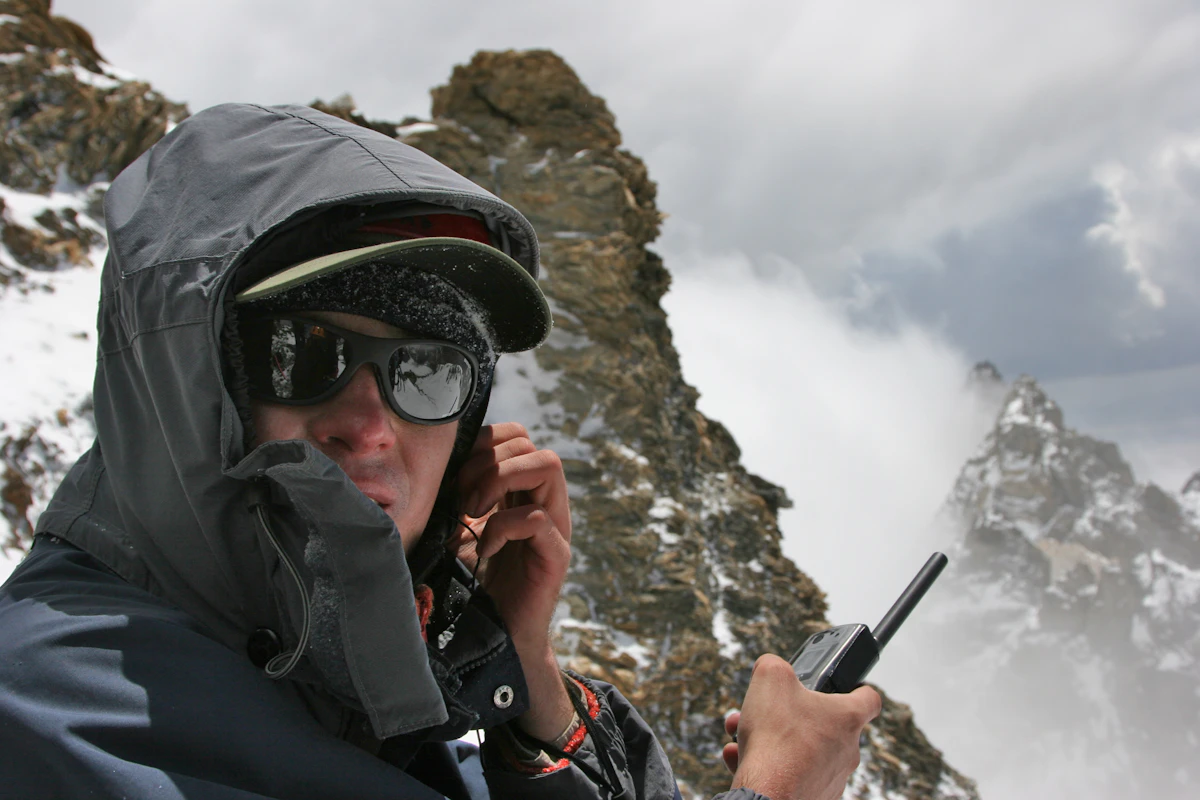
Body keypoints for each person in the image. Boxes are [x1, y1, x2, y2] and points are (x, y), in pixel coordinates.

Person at [0, 103, 880, 799]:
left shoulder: (351, 688)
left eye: (425, 371)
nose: (372, 424)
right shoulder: (58, 711)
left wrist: (527, 675)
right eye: (302, 355)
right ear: (187, 386)